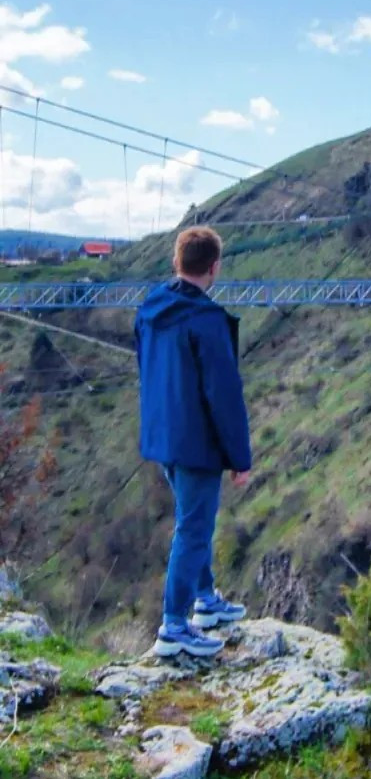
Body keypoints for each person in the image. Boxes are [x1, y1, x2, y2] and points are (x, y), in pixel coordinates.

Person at [135, 226, 252, 658]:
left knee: (193, 520)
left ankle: (206, 600)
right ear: (214, 267)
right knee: (194, 529)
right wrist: (239, 457)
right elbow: (224, 395)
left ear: (177, 261)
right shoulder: (207, 321)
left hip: (163, 436)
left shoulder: (150, 308)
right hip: (197, 443)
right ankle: (175, 625)